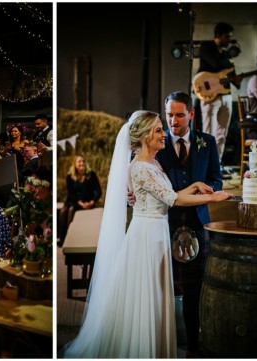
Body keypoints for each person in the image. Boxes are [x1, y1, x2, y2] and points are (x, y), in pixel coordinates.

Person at [62, 110, 229, 358]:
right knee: (145, 300)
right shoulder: (139, 167)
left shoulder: (154, 162)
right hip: (147, 237)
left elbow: (167, 192)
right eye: (158, 130)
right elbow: (173, 199)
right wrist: (213, 197)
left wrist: (194, 186)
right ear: (144, 136)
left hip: (158, 232)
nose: (164, 134)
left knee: (157, 296)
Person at [155, 91, 223, 357]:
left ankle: (194, 346)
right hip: (164, 225)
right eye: (169, 115)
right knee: (163, 288)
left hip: (197, 224)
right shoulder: (155, 144)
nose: (173, 121)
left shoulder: (207, 142)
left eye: (179, 115)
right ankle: (164, 345)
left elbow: (216, 179)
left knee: (195, 291)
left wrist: (204, 192)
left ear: (191, 115)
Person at [197, 22, 241, 163]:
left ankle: (216, 164)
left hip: (226, 95)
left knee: (222, 134)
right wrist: (228, 58)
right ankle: (204, 164)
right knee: (207, 132)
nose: (229, 40)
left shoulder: (226, 56)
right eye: (227, 36)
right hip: (210, 95)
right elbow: (215, 63)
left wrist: (237, 79)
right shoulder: (207, 47)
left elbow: (236, 82)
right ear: (218, 36)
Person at [56, 155, 102, 245]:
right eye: (79, 161)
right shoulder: (70, 176)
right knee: (63, 211)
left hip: (88, 201)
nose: (82, 163)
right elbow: (70, 193)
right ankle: (61, 236)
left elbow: (99, 191)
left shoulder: (91, 175)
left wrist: (91, 202)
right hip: (74, 200)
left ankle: (68, 236)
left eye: (83, 161)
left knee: (71, 210)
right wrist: (80, 203)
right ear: (75, 164)